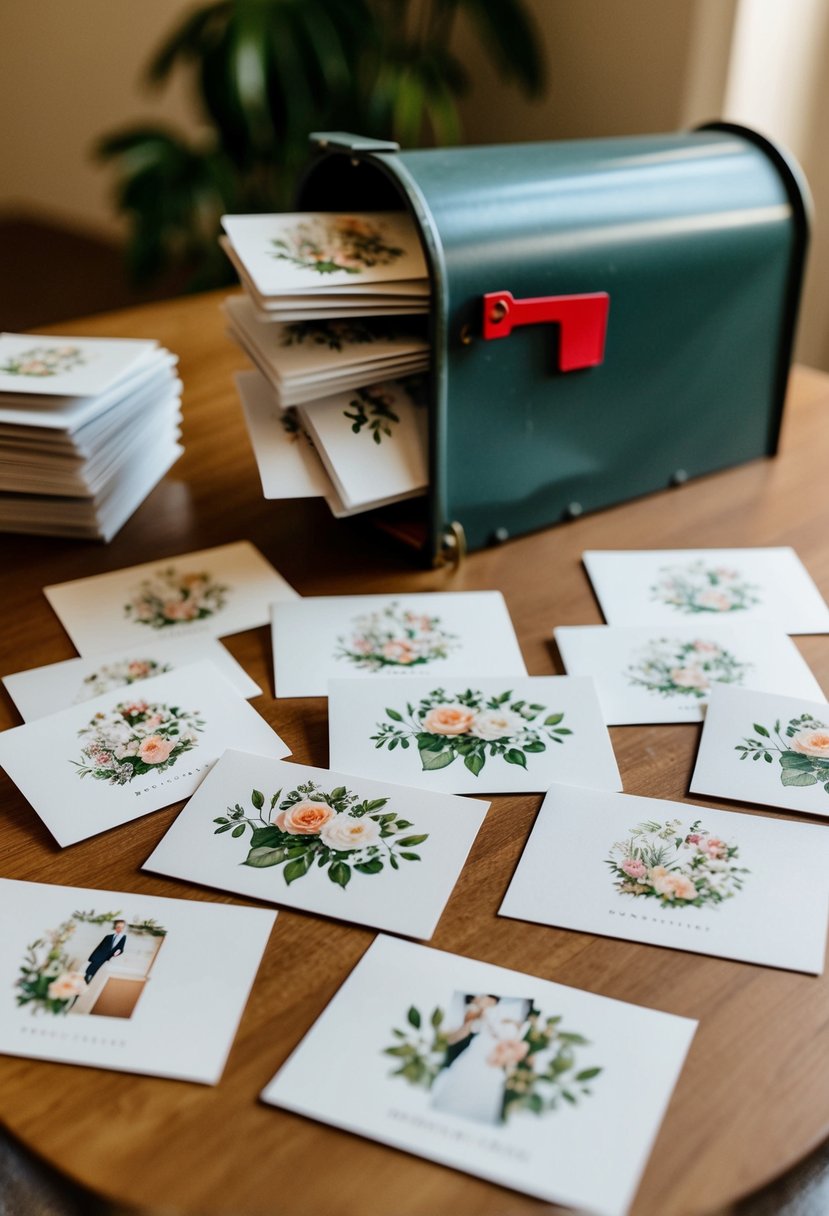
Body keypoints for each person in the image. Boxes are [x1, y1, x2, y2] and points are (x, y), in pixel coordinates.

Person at [84, 919, 127, 984]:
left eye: (122, 927)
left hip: (106, 958)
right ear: (115, 927)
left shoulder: (123, 937)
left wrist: (117, 952)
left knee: (96, 974)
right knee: (89, 971)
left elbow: (121, 948)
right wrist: (91, 957)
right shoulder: (108, 937)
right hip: (98, 956)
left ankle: (89, 982)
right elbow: (99, 947)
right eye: (118, 927)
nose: (120, 929)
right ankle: (86, 979)